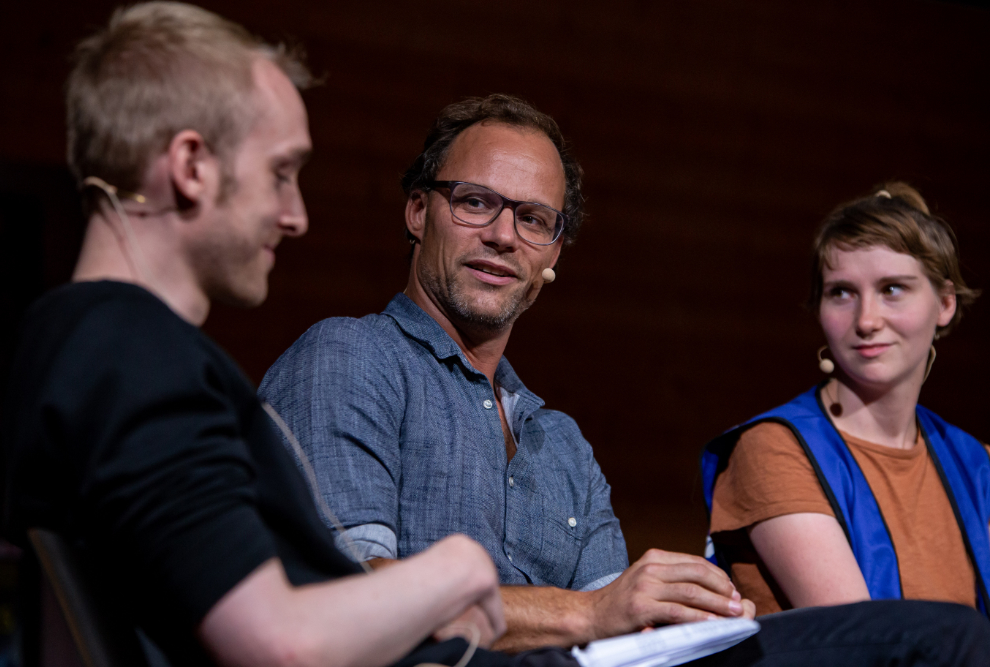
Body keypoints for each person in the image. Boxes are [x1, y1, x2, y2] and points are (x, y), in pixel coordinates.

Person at [258, 98, 990, 664]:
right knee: (932, 640)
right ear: (419, 211)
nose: (504, 235)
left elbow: (627, 636)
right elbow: (342, 595)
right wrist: (589, 612)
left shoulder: (561, 444)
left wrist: (675, 615)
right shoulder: (351, 357)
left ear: (555, 251)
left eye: (534, 218)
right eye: (475, 201)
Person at [3, 5, 518, 666]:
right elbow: (278, 643)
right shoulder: (130, 348)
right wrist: (456, 567)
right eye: (280, 172)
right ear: (192, 165)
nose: (296, 215)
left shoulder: (75, 337)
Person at [702, 182, 990, 618]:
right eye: (841, 292)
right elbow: (867, 642)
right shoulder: (774, 448)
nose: (867, 320)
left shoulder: (976, 464)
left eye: (892, 288)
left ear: (945, 303)